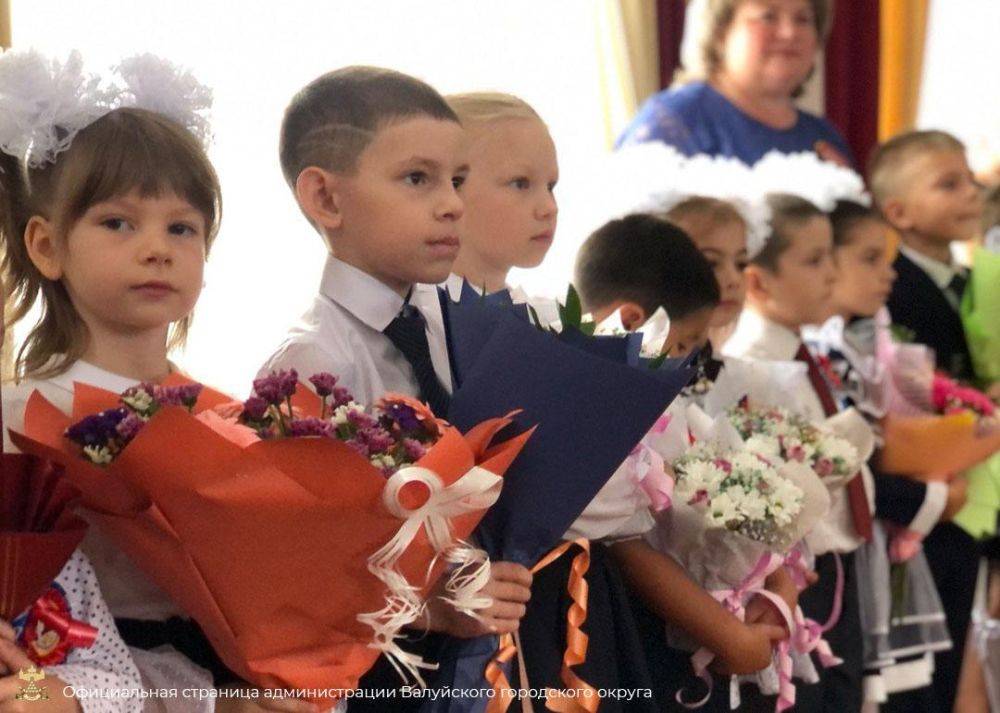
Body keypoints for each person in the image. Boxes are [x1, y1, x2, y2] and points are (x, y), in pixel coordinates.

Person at [259, 67, 533, 710]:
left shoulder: (455, 328)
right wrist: (430, 605)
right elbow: (301, 567)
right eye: (419, 179)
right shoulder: (311, 360)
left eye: (458, 181)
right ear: (326, 199)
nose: (452, 204)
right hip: (380, 679)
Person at [724, 194, 873, 711]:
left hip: (836, 562)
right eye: (813, 260)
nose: (832, 272)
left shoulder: (805, 352)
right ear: (758, 281)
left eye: (831, 255)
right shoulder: (752, 364)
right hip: (797, 571)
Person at [871, 129, 987, 711]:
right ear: (899, 212)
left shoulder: (977, 281)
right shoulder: (892, 291)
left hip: (977, 488)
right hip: (927, 501)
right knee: (929, 676)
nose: (972, 193)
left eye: (971, 179)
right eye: (950, 184)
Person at [617, 0, 851, 167]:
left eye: (803, 19)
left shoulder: (825, 137)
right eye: (768, 16)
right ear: (720, 31)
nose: (789, 32)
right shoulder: (675, 122)